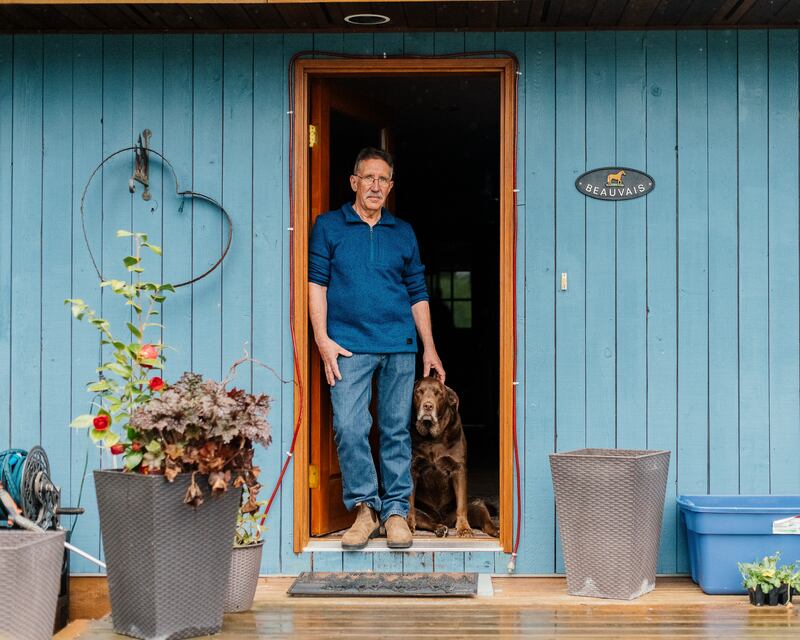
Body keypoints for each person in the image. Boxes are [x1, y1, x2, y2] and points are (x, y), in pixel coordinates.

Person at [308, 147, 445, 550]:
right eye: (368, 178)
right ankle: (365, 509)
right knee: (350, 428)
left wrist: (430, 348)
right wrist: (322, 340)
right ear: (354, 182)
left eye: (383, 179)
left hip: (399, 346)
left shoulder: (403, 232)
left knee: (395, 431)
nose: (375, 186)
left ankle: (397, 511)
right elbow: (317, 284)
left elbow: (417, 292)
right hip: (347, 346)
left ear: (390, 186)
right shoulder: (329, 227)